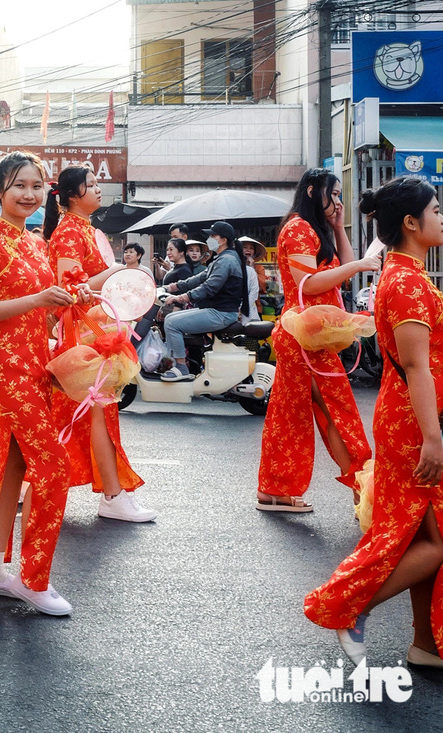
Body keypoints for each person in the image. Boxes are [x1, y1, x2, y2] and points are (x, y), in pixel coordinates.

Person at [305, 176, 443, 669]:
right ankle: (353, 605)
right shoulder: (406, 282)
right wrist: (433, 437)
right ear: (411, 222)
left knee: (427, 535)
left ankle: (426, 644)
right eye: (436, 209)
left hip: (411, 414)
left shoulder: (408, 275)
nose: (442, 217)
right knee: (433, 540)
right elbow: (415, 366)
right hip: (413, 423)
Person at [0, 151, 89, 615]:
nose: (28, 194)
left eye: (35, 186)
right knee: (53, 467)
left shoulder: (36, 244)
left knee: (14, 467)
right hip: (4, 366)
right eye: (18, 186)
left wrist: (70, 297)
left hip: (36, 363)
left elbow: (44, 308)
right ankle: (33, 578)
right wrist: (37, 298)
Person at [256, 169, 378, 511]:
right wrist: (357, 268)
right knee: (339, 412)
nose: (338, 202)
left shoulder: (312, 228)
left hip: (310, 334)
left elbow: (346, 265)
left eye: (340, 195)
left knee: (291, 414)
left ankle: (275, 489)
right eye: (334, 194)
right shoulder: (298, 228)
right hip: (305, 336)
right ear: (312, 191)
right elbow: (307, 284)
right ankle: (362, 490)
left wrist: (340, 229)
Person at [43, 163, 156, 523]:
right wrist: (119, 272)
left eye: (96, 183)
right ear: (72, 195)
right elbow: (71, 291)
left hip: (94, 331)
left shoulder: (86, 231)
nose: (97, 189)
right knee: (92, 415)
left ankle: (40, 485)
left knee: (84, 416)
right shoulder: (68, 233)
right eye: (90, 185)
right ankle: (111, 494)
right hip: (81, 334)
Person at [160, 221, 248, 382]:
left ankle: (181, 368)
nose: (209, 239)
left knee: (173, 324)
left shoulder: (226, 260)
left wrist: (181, 297)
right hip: (217, 310)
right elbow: (198, 278)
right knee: (170, 319)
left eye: (212, 236)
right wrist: (171, 287)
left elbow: (209, 287)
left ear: (222, 240)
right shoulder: (221, 258)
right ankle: (174, 364)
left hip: (221, 313)